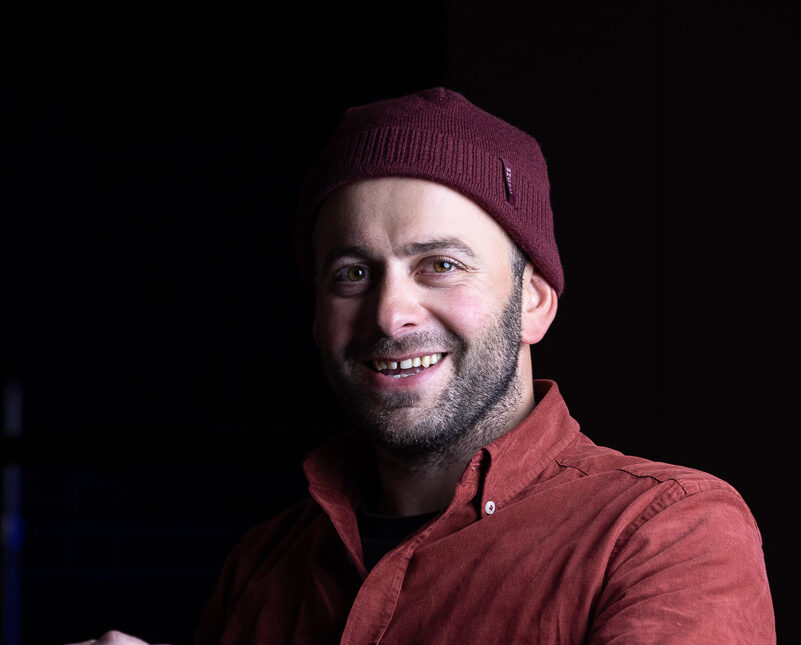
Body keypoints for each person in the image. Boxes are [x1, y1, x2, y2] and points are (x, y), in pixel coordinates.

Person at [71, 88, 775, 644]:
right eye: (351, 272)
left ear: (532, 302)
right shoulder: (263, 564)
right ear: (317, 311)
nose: (388, 313)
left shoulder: (662, 532)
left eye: (438, 265)